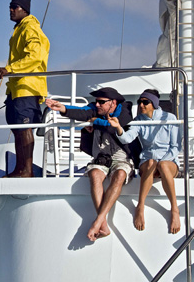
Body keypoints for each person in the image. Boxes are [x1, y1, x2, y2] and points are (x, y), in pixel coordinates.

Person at [45, 87, 135, 242]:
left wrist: (94, 121)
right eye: (96, 101)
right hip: (102, 157)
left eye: (101, 102)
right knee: (94, 174)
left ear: (113, 103)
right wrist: (63, 108)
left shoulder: (125, 110)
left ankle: (98, 221)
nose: (97, 105)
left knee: (120, 174)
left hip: (121, 157)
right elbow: (82, 112)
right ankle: (103, 223)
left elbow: (112, 126)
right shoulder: (95, 109)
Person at [108, 89, 182, 234]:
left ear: (154, 103)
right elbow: (127, 138)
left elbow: (175, 147)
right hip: (148, 161)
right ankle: (140, 206)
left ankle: (174, 208)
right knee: (150, 163)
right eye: (139, 102)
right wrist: (118, 127)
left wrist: (162, 161)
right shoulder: (138, 120)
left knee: (162, 164)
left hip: (168, 161)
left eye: (145, 102)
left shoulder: (170, 117)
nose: (141, 105)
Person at [0, 0, 50, 178]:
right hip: (17, 88)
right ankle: (20, 169)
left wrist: (9, 69)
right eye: (10, 6)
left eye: (14, 7)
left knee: (24, 128)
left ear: (24, 10)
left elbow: (35, 56)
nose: (10, 10)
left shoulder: (30, 27)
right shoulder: (20, 28)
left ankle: (26, 170)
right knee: (17, 127)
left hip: (27, 87)